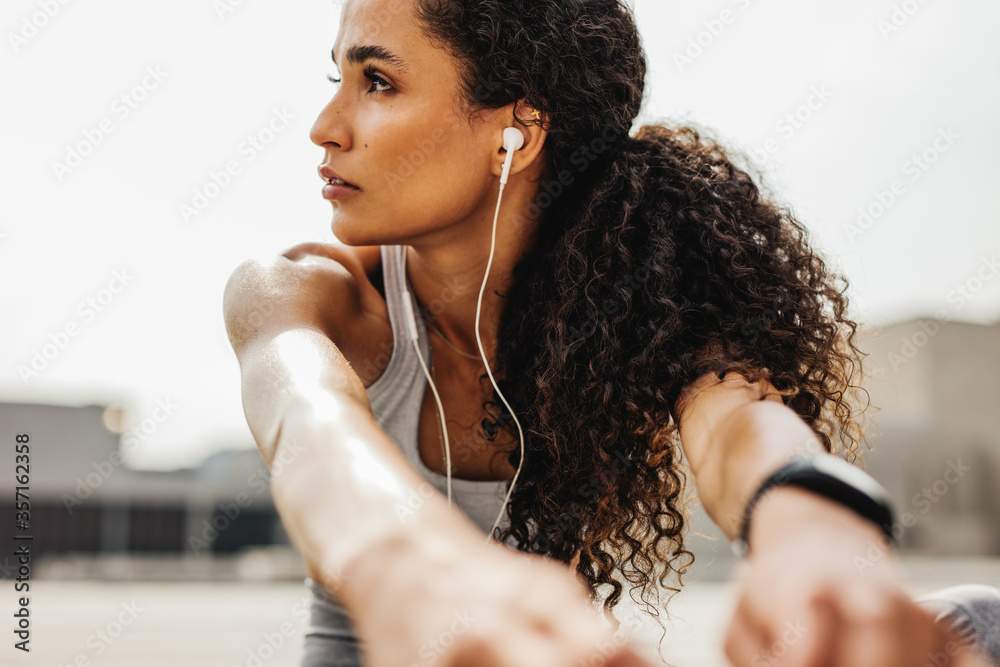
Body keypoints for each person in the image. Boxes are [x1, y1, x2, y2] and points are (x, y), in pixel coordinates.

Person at [222, 1, 1000, 666]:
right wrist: (407, 565)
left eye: (378, 82)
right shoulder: (299, 291)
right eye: (340, 79)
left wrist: (811, 518)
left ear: (515, 133)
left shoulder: (621, 305)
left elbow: (737, 423)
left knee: (976, 621)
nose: (325, 127)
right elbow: (310, 428)